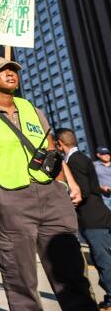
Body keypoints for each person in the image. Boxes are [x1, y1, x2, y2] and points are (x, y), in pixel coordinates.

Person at [0, 58, 94, 311]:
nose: (10, 74)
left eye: (13, 70)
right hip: (10, 200)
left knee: (71, 273)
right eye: (1, 71)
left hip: (52, 196)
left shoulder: (31, 109)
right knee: (20, 278)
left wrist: (64, 185)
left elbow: (52, 153)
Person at [57, 129, 111, 309]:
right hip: (98, 214)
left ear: (59, 143)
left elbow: (83, 190)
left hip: (92, 218)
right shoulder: (82, 157)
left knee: (103, 260)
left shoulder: (74, 161)